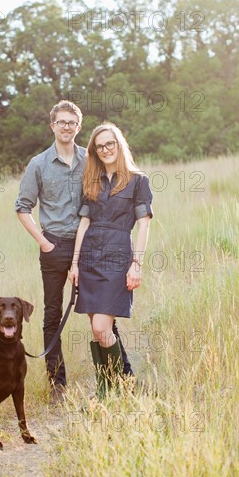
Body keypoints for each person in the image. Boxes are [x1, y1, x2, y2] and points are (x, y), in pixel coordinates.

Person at [15, 101, 133, 404]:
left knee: (102, 313)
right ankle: (57, 383)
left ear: (78, 127)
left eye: (72, 123)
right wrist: (44, 242)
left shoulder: (89, 160)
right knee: (52, 316)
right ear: (52, 125)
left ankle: (122, 376)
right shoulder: (38, 164)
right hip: (54, 246)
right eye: (61, 122)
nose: (66, 127)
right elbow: (22, 208)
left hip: (90, 246)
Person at [68, 122, 153, 399]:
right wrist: (75, 264)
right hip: (89, 258)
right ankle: (106, 392)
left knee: (101, 328)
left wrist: (136, 264)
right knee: (96, 331)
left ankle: (116, 389)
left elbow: (144, 225)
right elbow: (83, 224)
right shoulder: (90, 181)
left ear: (119, 144)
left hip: (118, 258)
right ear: (94, 150)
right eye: (99, 146)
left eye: (109, 144)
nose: (105, 149)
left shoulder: (138, 180)